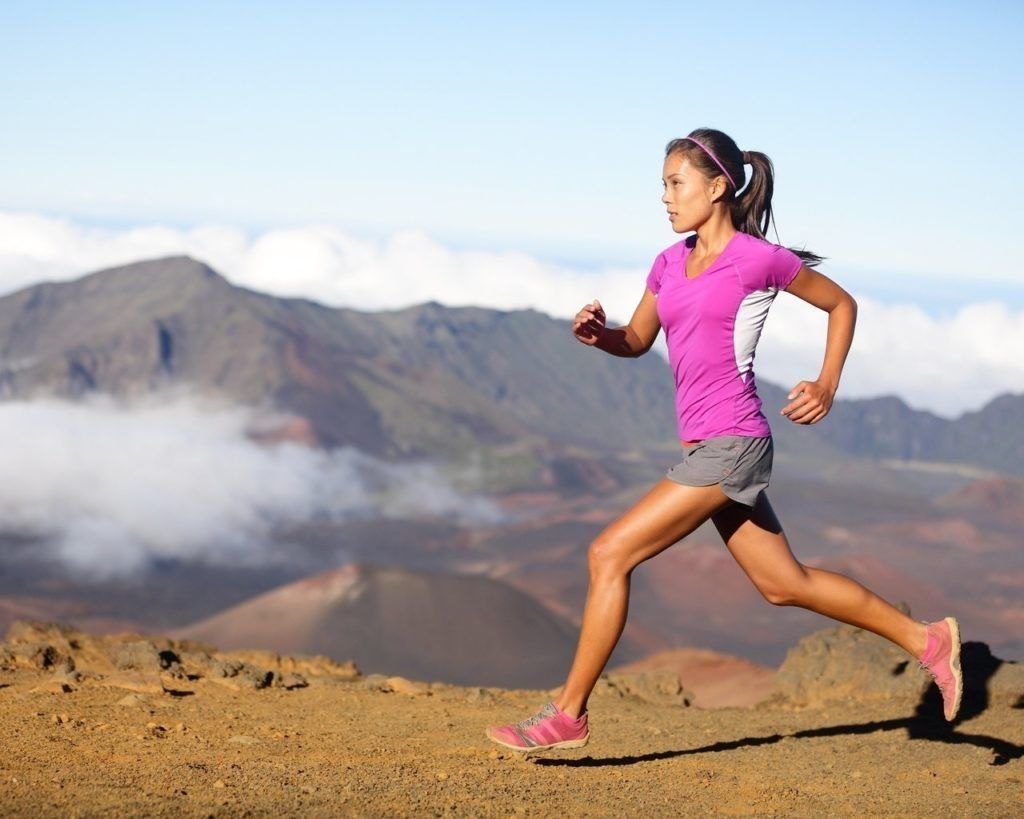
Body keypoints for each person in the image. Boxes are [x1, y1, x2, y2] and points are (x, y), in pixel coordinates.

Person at [485, 127, 962, 755]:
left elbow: (841, 305)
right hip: (705, 447)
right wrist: (600, 335)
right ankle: (928, 640)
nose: (665, 197)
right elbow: (637, 341)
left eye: (675, 184)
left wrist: (826, 383)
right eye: (662, 185)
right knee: (784, 584)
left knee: (609, 554)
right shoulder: (668, 263)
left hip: (734, 443)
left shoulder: (758, 259)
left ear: (717, 187)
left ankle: (567, 714)